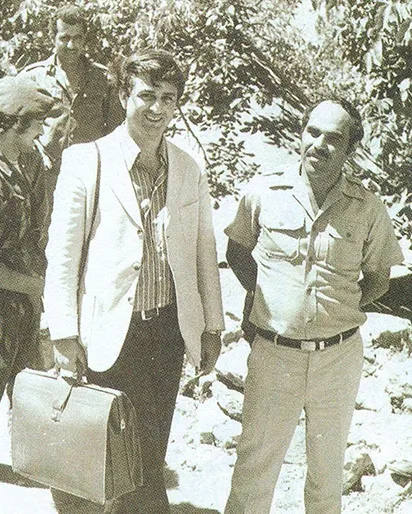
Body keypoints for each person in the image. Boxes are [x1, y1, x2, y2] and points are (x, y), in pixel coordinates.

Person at [44, 49, 225, 513]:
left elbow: (205, 251)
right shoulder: (87, 160)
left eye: (168, 98)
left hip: (166, 334)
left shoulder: (187, 168)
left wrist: (211, 325)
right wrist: (63, 334)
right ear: (125, 95)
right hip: (106, 335)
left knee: (147, 457)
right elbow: (62, 256)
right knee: (102, 460)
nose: (157, 109)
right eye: (147, 95)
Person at [224, 98, 404, 514]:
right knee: (254, 471)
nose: (319, 145)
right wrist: (269, 298)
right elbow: (237, 252)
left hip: (338, 358)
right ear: (301, 133)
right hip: (275, 356)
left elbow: (378, 278)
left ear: (350, 149)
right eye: (313, 132)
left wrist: (336, 307)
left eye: (333, 138)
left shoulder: (367, 207)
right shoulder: (263, 193)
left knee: (327, 475)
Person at [21, 4, 124, 194]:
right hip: (46, 175)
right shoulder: (32, 78)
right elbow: (17, 128)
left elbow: (115, 129)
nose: (72, 45)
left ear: (84, 39)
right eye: (65, 38)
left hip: (89, 175)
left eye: (78, 38)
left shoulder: (103, 78)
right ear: (52, 38)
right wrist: (37, 150)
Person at [0, 75, 56, 400]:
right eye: (38, 124)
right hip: (9, 305)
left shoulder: (21, 166)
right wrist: (34, 286)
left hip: (21, 313)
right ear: (15, 123)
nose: (42, 132)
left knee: (26, 408)